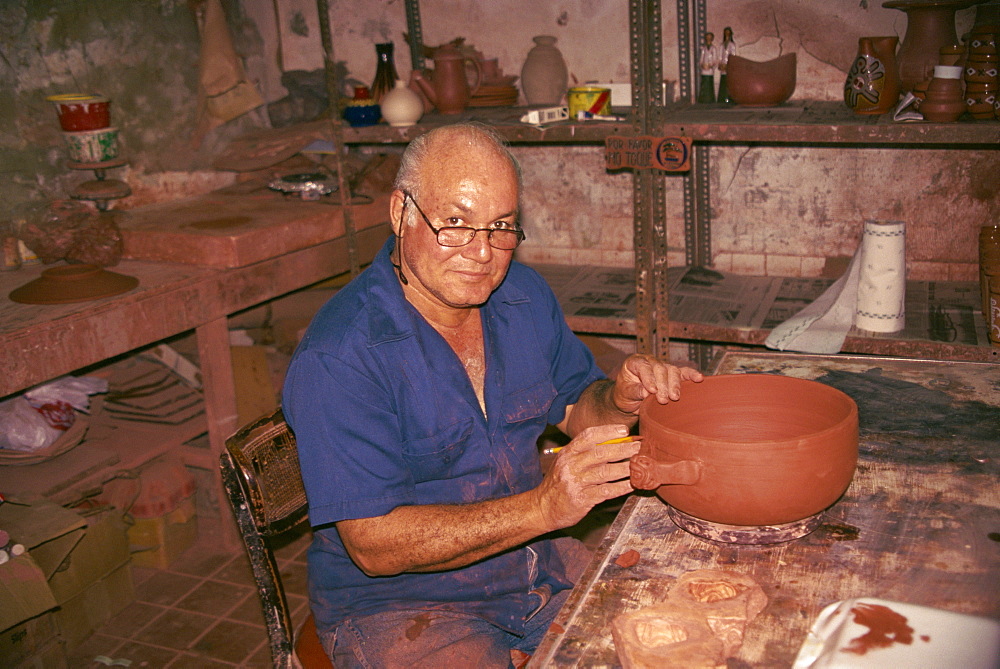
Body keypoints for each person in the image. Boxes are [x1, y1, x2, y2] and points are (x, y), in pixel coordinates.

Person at [282, 123, 703, 668]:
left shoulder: (522, 298)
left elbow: (579, 409)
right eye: (455, 223)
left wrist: (621, 399)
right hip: (400, 608)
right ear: (401, 214)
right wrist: (546, 506)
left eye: (500, 226)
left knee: (679, 626)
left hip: (530, 564)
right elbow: (375, 544)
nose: (482, 252)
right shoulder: (341, 355)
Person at [698, 31, 720, 103]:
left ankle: (710, 99)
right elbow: (701, 59)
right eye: (707, 38)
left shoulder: (713, 48)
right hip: (704, 69)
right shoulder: (703, 48)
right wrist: (702, 65)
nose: (708, 39)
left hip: (710, 69)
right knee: (704, 83)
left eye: (710, 38)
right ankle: (703, 99)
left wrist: (710, 65)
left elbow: (715, 60)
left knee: (709, 84)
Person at [717, 27, 737, 104]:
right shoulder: (722, 45)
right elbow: (720, 56)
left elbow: (733, 55)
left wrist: (729, 64)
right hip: (723, 65)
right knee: (723, 81)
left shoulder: (732, 45)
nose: (727, 34)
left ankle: (729, 98)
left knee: (729, 81)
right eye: (726, 33)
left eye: (728, 33)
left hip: (729, 65)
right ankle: (722, 98)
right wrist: (720, 64)